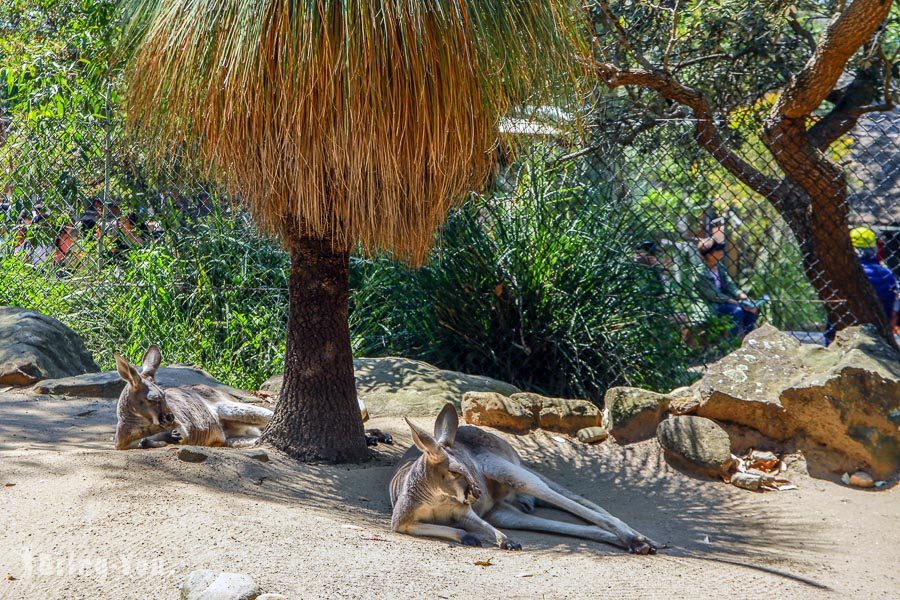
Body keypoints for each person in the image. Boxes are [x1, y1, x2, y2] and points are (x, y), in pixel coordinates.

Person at [694, 233, 758, 336]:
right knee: (737, 311)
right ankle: (732, 343)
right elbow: (713, 295)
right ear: (709, 255)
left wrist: (742, 296)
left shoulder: (719, 266)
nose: (722, 251)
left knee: (751, 309)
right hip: (711, 305)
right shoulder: (700, 272)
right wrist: (735, 302)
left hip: (726, 301)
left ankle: (748, 339)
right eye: (718, 249)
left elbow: (729, 284)